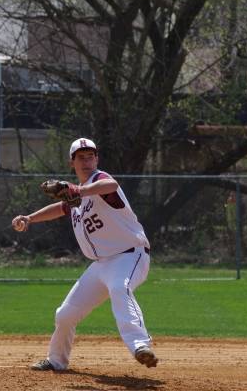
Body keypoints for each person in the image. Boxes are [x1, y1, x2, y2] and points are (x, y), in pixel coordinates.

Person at [12, 137, 158, 371]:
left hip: (130, 255)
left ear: (97, 159)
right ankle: (56, 360)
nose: (87, 160)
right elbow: (60, 208)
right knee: (65, 315)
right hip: (101, 265)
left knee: (120, 288)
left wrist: (78, 189)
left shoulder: (99, 180)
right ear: (72, 162)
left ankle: (141, 346)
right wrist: (29, 218)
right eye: (81, 157)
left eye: (91, 156)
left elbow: (110, 185)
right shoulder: (76, 197)